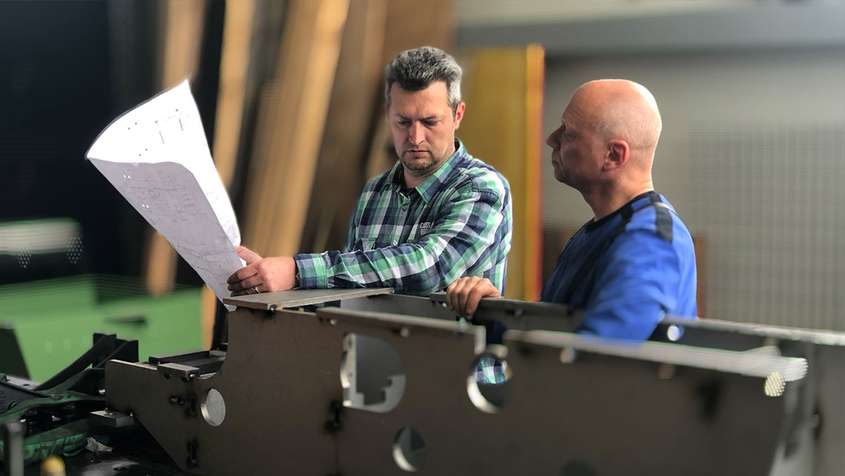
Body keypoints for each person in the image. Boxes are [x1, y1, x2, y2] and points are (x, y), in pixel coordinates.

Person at [228, 46, 512, 297]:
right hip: (377, 356)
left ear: (457, 115)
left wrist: (296, 271)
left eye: (429, 121)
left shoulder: (481, 188)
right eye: (403, 122)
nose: (415, 137)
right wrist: (270, 276)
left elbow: (430, 267)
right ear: (388, 115)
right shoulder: (376, 191)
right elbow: (352, 283)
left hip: (455, 358)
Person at [446, 79, 697, 340]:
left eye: (568, 132)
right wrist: (492, 313)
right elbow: (555, 333)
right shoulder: (594, 233)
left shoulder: (650, 242)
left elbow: (596, 357)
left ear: (613, 155)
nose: (551, 139)